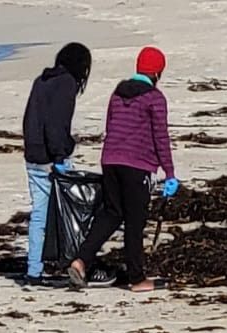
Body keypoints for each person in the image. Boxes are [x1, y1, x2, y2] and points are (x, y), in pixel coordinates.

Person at [69, 47, 178, 293]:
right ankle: (137, 279)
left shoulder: (118, 93)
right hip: (136, 165)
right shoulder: (155, 98)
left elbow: (110, 125)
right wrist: (169, 173)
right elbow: (160, 136)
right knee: (134, 221)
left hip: (110, 160)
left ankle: (81, 260)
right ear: (158, 72)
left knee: (111, 213)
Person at [22, 43, 93, 285]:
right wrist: (60, 157)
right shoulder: (66, 84)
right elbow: (57, 124)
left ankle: (34, 270)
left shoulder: (40, 81)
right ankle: (73, 264)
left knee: (39, 215)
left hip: (33, 156)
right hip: (52, 160)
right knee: (70, 214)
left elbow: (30, 120)